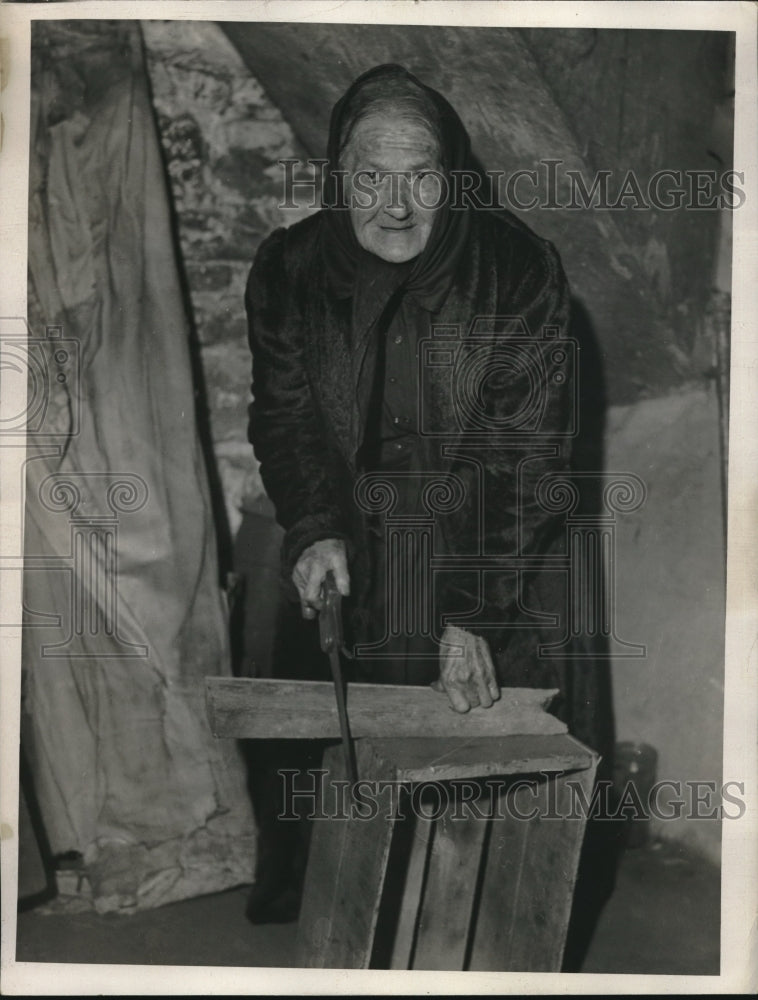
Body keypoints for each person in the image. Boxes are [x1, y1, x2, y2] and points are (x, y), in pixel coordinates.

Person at [244, 63, 613, 923]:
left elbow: (524, 456)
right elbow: (287, 415)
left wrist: (472, 610)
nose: (397, 205)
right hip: (364, 548)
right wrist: (315, 526)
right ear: (339, 174)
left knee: (491, 815)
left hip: (496, 543)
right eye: (372, 176)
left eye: (423, 177)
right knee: (354, 783)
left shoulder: (519, 271)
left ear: (454, 176)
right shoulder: (289, 269)